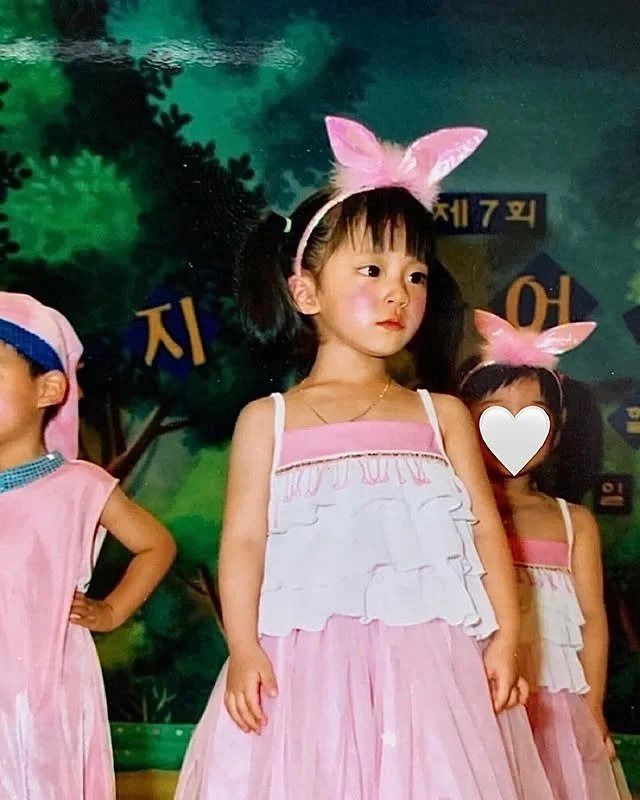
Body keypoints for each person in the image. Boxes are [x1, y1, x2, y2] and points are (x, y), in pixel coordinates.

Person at [176, 117, 553, 799]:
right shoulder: (268, 421)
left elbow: (484, 534)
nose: (397, 293)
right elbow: (244, 543)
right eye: (372, 270)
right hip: (301, 674)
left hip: (431, 674)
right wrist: (244, 647)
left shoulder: (442, 416)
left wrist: (507, 636)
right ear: (306, 291)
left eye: (415, 275)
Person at [0, 292, 177, 799]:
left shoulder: (78, 486)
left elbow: (156, 545)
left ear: (48, 388)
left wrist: (112, 610)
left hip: (43, 699)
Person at [459, 308, 632, 800]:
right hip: (480, 704)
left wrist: (592, 707)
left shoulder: (573, 523)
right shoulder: (454, 511)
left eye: (531, 418)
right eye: (493, 416)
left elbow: (592, 621)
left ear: (554, 432)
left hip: (556, 713)